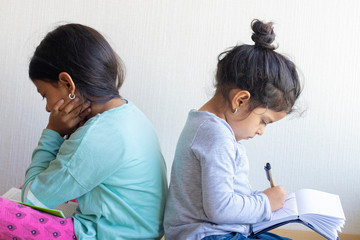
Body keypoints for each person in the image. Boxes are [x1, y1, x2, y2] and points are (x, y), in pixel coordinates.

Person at [0, 23, 167, 240]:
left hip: (108, 235)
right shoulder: (129, 114)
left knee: (7, 209)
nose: (48, 108)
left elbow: (30, 200)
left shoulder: (96, 135)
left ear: (67, 84)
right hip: (138, 232)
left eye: (44, 95)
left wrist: (53, 132)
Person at [163, 20, 302, 240]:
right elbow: (220, 209)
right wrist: (265, 203)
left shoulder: (208, 127)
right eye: (264, 121)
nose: (261, 131)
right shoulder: (216, 135)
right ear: (240, 100)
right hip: (210, 236)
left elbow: (225, 197)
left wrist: (260, 198)